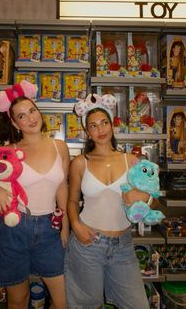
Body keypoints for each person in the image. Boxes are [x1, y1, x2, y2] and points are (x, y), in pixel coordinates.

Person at [0, 81, 70, 309]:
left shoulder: (59, 147)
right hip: (14, 228)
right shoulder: (8, 151)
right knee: (18, 300)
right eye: (22, 116)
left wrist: (65, 224)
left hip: (50, 228)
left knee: (62, 301)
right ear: (14, 123)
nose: (31, 118)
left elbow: (62, 185)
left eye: (32, 110)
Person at [65, 93, 158, 309]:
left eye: (104, 122)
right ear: (88, 132)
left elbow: (151, 197)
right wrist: (76, 226)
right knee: (85, 306)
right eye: (94, 126)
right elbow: (71, 202)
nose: (101, 129)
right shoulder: (80, 162)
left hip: (123, 247)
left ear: (111, 125)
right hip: (87, 245)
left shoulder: (131, 161)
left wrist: (145, 197)